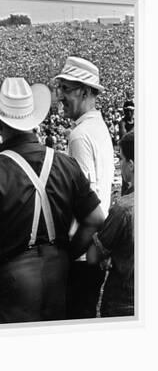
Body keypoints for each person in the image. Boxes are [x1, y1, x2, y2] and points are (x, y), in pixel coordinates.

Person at [0, 78, 104, 325]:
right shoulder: (64, 164)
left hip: (8, 290)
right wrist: (68, 254)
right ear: (33, 120)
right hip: (57, 280)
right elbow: (96, 219)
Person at [55, 56, 115, 319]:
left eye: (66, 89)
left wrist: (67, 256)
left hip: (82, 251)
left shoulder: (79, 135)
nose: (60, 97)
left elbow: (86, 204)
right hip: (94, 247)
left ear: (84, 91)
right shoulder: (98, 128)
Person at [85, 131, 135, 317]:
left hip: (123, 301)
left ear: (131, 165)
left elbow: (92, 256)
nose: (119, 164)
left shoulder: (123, 209)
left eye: (120, 158)